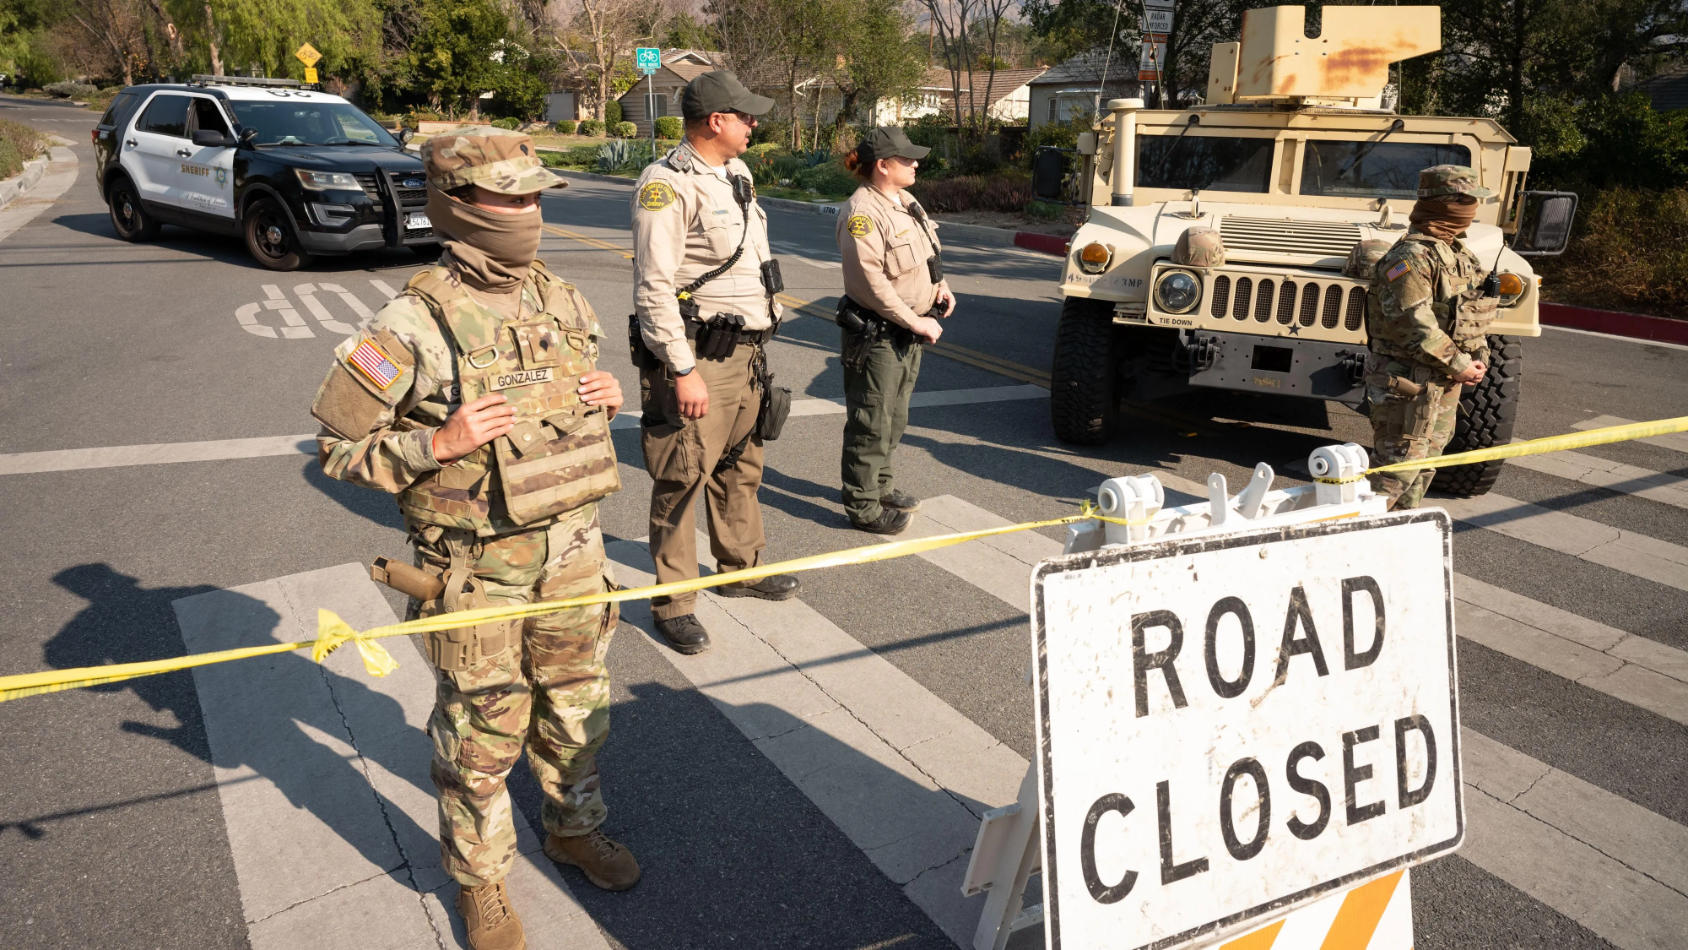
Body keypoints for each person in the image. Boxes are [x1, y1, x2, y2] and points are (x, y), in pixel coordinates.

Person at [310, 128, 637, 950]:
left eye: (534, 197)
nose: (529, 213)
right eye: (511, 197)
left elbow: (568, 407)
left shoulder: (563, 299)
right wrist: (438, 444)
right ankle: (482, 880)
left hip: (573, 556)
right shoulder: (409, 322)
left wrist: (604, 395)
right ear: (458, 205)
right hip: (476, 573)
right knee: (481, 734)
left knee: (576, 709)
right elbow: (338, 451)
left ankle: (572, 828)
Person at [629, 70, 799, 655]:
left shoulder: (737, 173)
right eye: (746, 116)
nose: (755, 124)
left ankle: (740, 568)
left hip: (746, 353)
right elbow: (653, 288)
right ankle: (674, 602)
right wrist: (681, 370)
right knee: (681, 476)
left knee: (739, 468)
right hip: (701, 356)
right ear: (716, 121)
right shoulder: (667, 184)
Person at [834, 127, 956, 535]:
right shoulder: (862, 213)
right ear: (883, 166)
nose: (916, 164)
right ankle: (863, 506)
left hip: (906, 331)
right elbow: (870, 283)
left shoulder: (905, 201)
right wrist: (915, 319)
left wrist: (941, 287)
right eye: (906, 159)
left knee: (895, 416)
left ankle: (881, 486)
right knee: (871, 419)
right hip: (880, 331)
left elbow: (927, 253)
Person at [1364, 164, 1499, 509]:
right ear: (1445, 203)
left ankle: (1395, 544)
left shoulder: (1458, 254)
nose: (1472, 210)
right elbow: (1414, 324)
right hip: (1408, 383)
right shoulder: (1410, 258)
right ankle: (1353, 543)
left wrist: (1478, 358)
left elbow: (1470, 314)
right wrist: (1459, 364)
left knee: (1421, 471)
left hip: (1442, 384)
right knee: (1393, 476)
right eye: (1466, 201)